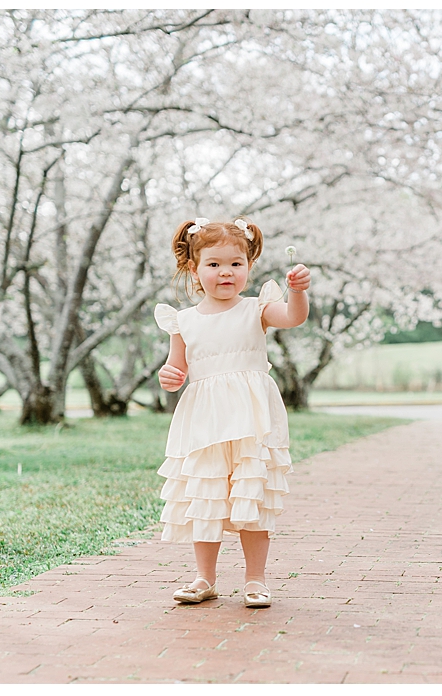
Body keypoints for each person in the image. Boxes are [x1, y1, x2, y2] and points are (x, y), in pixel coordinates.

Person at [153, 217, 311, 608]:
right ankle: (204, 577)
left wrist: (298, 293)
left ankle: (255, 579)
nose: (226, 272)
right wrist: (169, 377)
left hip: (250, 418)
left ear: (248, 267)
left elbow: (294, 318)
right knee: (206, 496)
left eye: (236, 264)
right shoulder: (183, 321)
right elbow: (178, 369)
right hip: (205, 419)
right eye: (214, 264)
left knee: (250, 497)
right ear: (194, 268)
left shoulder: (257, 309)